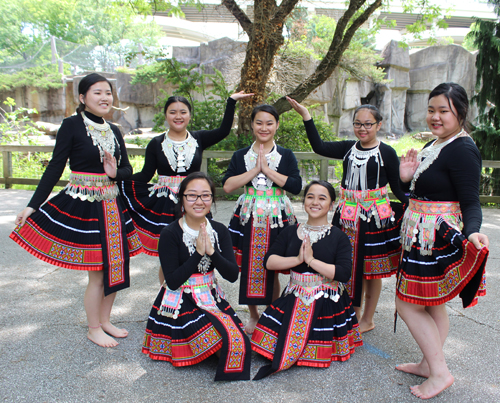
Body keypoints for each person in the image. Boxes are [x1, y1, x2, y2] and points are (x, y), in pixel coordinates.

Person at [10, 73, 143, 348]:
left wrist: (114, 171)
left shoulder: (115, 129)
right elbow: (55, 167)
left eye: (108, 92)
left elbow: (128, 170)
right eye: (97, 92)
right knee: (97, 270)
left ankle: (105, 321)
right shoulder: (71, 125)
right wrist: (32, 205)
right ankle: (93, 327)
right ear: (82, 98)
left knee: (115, 266)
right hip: (85, 205)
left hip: (112, 203)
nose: (105, 97)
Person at [396, 82, 489, 399]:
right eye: (431, 110)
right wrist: (406, 178)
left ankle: (439, 373)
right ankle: (427, 364)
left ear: (460, 113)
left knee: (406, 304)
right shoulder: (437, 143)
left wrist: (473, 231)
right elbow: (421, 193)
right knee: (431, 304)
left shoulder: (463, 149)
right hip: (419, 232)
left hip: (433, 235)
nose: (435, 117)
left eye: (443, 111)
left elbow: (471, 201)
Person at [287, 97, 408, 333]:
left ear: (378, 125)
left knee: (371, 271)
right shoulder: (347, 148)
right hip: (347, 215)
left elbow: (398, 186)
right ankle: (352, 312)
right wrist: (306, 116)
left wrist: (414, 204)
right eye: (358, 124)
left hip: (374, 218)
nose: (362, 129)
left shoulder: (387, 153)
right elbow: (319, 147)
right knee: (347, 264)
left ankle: (367, 319)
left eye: (368, 124)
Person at [121, 91, 253, 267]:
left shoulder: (198, 138)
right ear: (166, 115)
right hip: (165, 203)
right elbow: (145, 175)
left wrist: (231, 102)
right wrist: (117, 178)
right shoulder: (156, 143)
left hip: (195, 199)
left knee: (197, 248)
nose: (178, 116)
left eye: (183, 112)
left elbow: (223, 130)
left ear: (190, 115)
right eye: (172, 112)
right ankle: (169, 293)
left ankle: (193, 290)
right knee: (169, 256)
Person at [142, 172, 251, 381]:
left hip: (211, 296)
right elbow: (172, 281)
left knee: (238, 344)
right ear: (182, 199)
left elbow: (232, 275)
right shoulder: (170, 233)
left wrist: (211, 252)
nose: (199, 201)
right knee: (219, 344)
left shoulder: (219, 230)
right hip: (181, 299)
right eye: (192, 196)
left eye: (205, 196)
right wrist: (198, 254)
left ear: (212, 199)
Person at [251, 180, 362, 380]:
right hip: (296, 293)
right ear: (303, 202)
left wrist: (310, 260)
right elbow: (269, 262)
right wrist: (297, 259)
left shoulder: (339, 237)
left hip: (328, 299)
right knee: (264, 343)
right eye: (310, 197)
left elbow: (343, 273)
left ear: (332, 204)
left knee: (315, 339)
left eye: (322, 198)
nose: (315, 202)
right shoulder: (290, 231)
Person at [222, 104, 302, 335]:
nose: (264, 127)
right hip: (248, 213)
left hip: (277, 215)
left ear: (277, 125)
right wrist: (255, 169)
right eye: (259, 122)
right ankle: (255, 315)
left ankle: (272, 313)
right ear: (252, 124)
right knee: (250, 263)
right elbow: (228, 186)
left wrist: (267, 170)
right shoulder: (241, 155)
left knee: (272, 264)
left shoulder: (285, 155)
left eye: (269, 123)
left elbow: (296, 186)